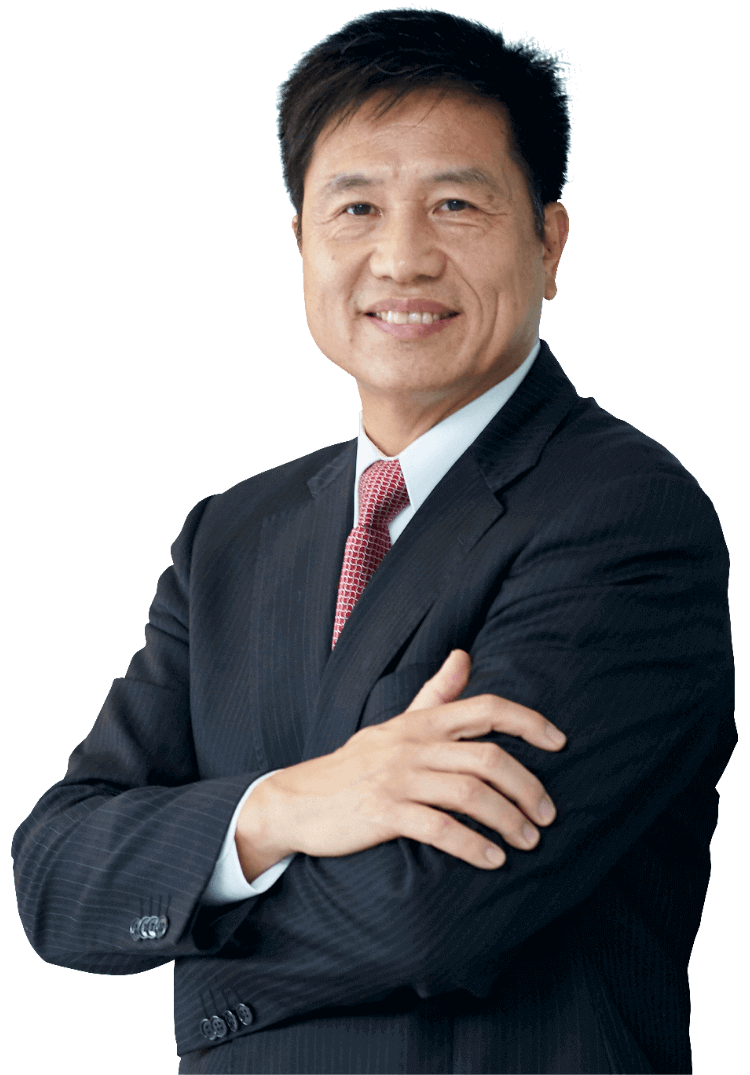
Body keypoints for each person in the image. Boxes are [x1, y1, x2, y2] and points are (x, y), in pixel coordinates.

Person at [12, 9, 734, 1074]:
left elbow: (427, 911)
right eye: (356, 207)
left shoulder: (624, 514)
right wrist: (282, 806)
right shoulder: (231, 535)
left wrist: (190, 942)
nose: (401, 258)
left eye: (455, 204)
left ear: (548, 245)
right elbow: (54, 876)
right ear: (302, 244)